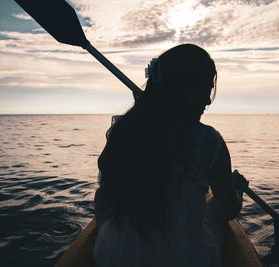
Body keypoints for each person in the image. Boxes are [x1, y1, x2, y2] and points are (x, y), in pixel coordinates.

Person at [93, 44, 246, 267]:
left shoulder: (123, 130)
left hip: (113, 255)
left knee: (101, 198)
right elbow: (230, 210)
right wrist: (237, 191)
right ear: (183, 88)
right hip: (182, 259)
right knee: (215, 210)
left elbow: (106, 173)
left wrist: (142, 112)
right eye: (204, 88)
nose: (207, 101)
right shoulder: (209, 142)